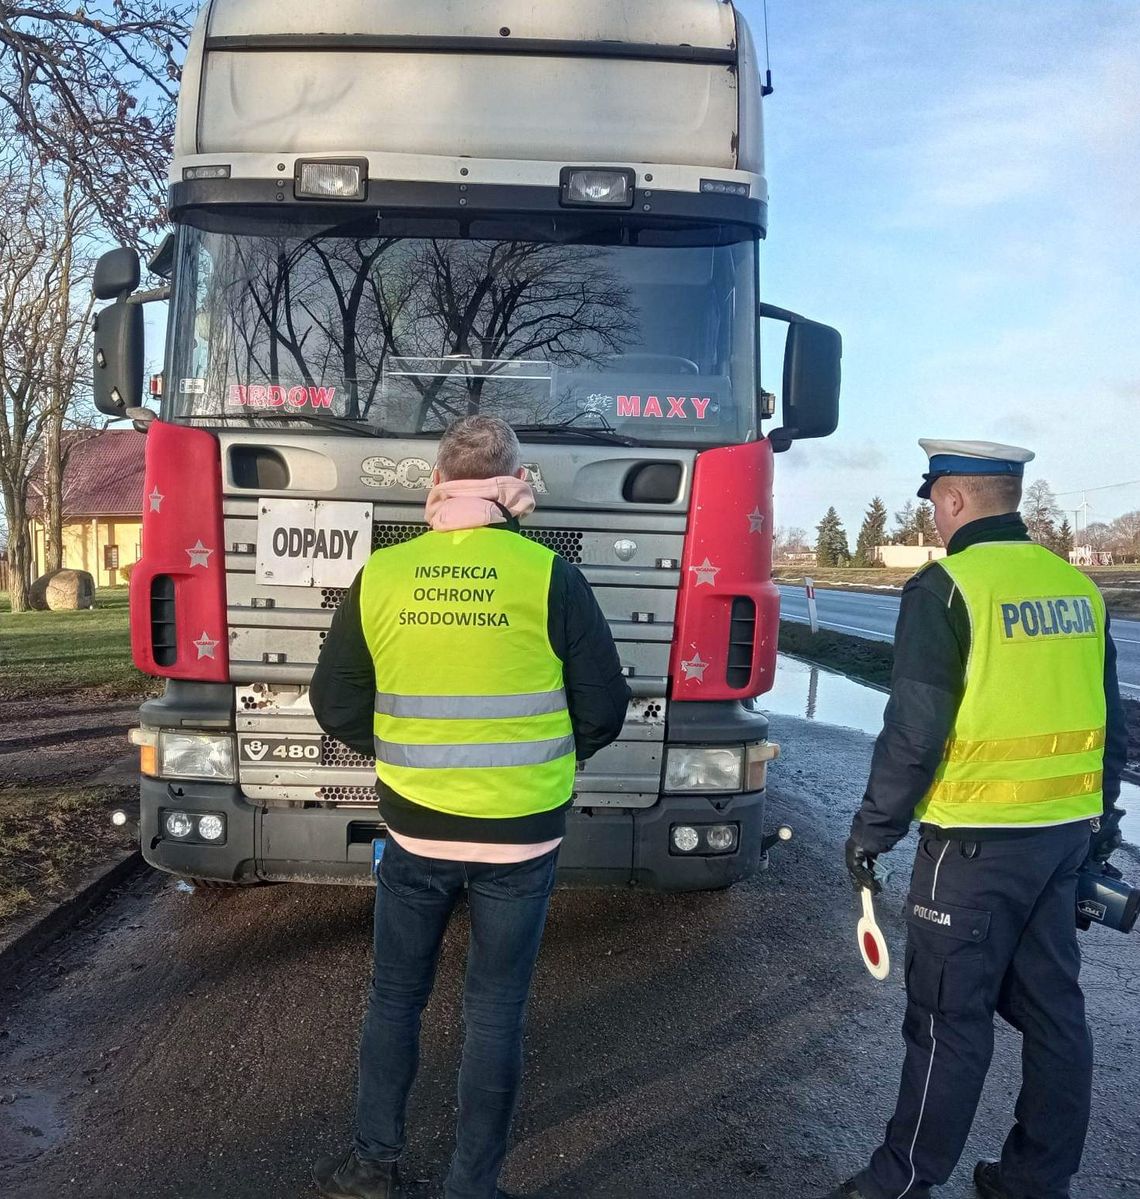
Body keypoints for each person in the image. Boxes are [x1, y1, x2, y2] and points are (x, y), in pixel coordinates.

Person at [309, 415, 630, 1199]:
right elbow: (605, 706)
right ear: (515, 483)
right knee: (495, 1012)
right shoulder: (549, 575)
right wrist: (550, 760)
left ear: (438, 484)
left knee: (395, 996)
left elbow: (333, 700)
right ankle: (471, 1187)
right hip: (522, 836)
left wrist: (398, 753)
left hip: (417, 825)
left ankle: (372, 1165)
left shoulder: (383, 574)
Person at [818, 439, 1129, 1199]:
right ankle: (1035, 1180)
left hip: (972, 848)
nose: (932, 512)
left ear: (954, 499)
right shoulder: (1077, 589)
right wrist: (1101, 828)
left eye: (934, 500)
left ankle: (898, 1182)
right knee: (1056, 1016)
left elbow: (915, 732)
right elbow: (1116, 729)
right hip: (1061, 842)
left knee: (946, 1021)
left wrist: (872, 832)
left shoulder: (948, 589)